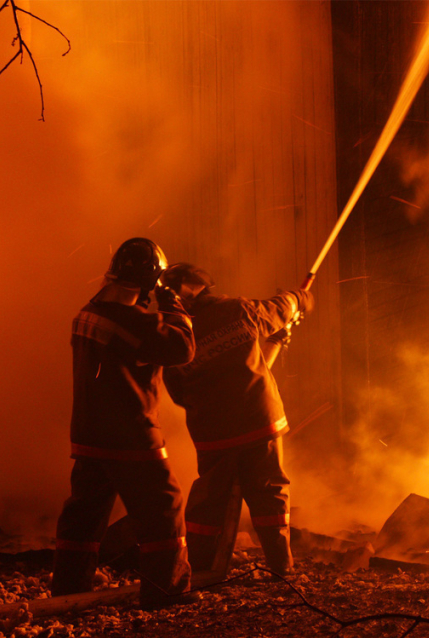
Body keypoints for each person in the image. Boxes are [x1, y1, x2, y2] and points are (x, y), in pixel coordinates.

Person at [52, 238, 198, 610]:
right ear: (150, 283)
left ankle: (69, 592)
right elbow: (182, 348)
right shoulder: (133, 322)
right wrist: (173, 303)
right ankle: (167, 593)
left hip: (89, 435)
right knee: (164, 508)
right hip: (130, 438)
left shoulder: (88, 311)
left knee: (83, 519)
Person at [160, 263, 313, 576]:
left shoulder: (173, 335)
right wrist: (299, 298)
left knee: (208, 502)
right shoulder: (237, 310)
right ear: (203, 286)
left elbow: (177, 394)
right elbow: (278, 308)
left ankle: (200, 569)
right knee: (270, 493)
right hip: (259, 422)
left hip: (213, 433)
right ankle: (280, 567)